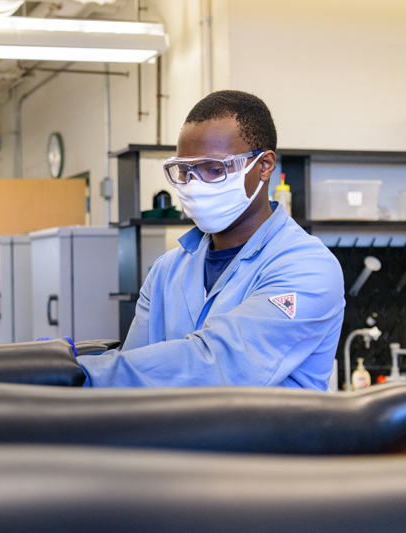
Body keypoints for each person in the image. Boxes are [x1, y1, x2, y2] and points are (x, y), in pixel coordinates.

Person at [78, 90, 345, 390]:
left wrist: (79, 373)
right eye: (185, 171)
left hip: (266, 439)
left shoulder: (308, 268)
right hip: (165, 438)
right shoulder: (167, 270)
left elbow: (220, 363)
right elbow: (131, 378)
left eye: (214, 170)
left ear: (264, 165)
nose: (194, 186)